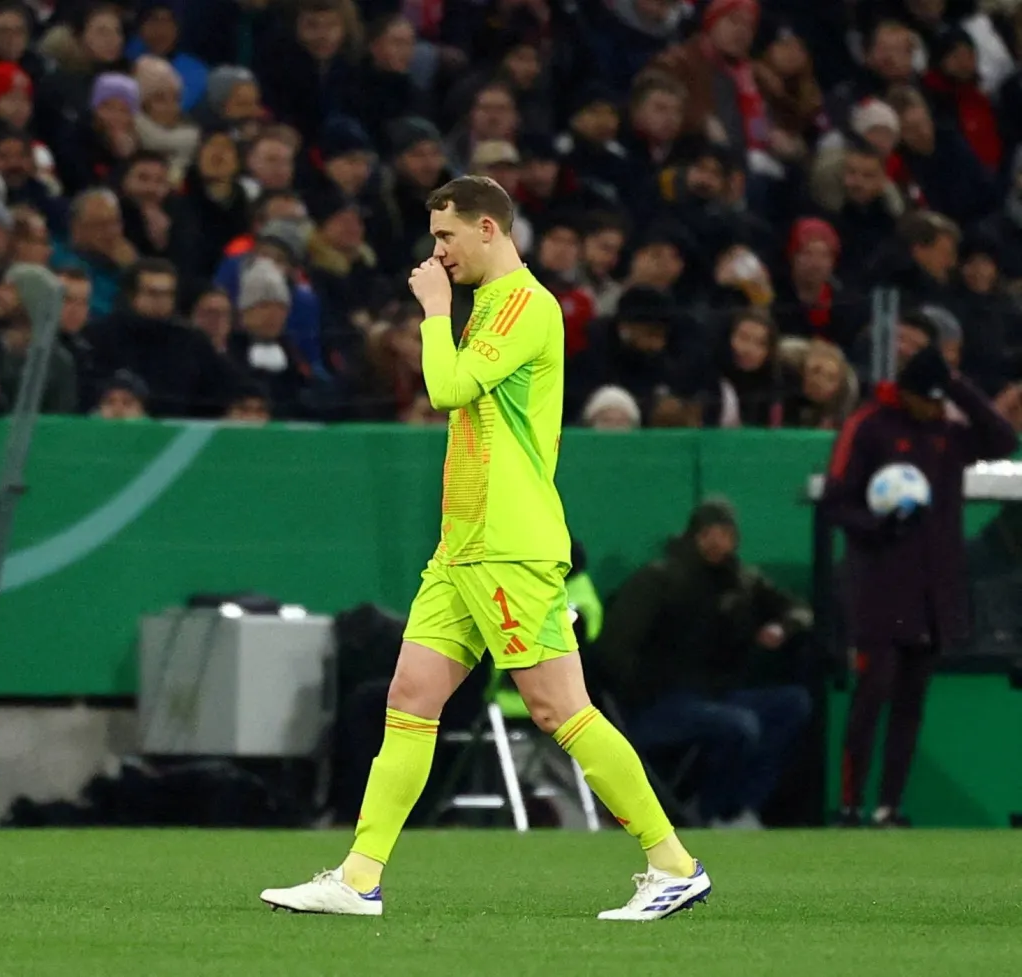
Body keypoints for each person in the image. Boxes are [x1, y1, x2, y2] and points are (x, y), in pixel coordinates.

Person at [260, 176, 709, 921]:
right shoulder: (492, 307)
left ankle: (673, 863)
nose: (437, 252)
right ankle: (359, 876)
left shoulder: (527, 306)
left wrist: (435, 312)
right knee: (410, 697)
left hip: (510, 543)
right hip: (461, 544)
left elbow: (448, 387)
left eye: (446, 237)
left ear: (489, 231)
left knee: (560, 707)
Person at [823, 316, 1019, 826]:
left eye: (941, 399)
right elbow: (836, 502)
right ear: (904, 393)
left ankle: (890, 805)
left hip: (933, 591)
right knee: (872, 694)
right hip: (880, 589)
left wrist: (958, 384)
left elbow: (1001, 439)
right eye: (928, 398)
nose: (934, 408)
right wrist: (876, 526)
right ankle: (849, 803)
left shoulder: (945, 431)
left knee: (911, 702)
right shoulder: (869, 425)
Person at [593, 499, 813, 829]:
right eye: (708, 532)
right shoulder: (658, 580)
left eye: (725, 533)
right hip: (658, 703)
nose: (716, 542)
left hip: (715, 695)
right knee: (739, 725)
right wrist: (642, 689)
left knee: (793, 704)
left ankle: (739, 808)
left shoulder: (742, 581)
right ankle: (710, 812)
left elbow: (799, 609)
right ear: (693, 535)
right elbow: (614, 649)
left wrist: (783, 627)